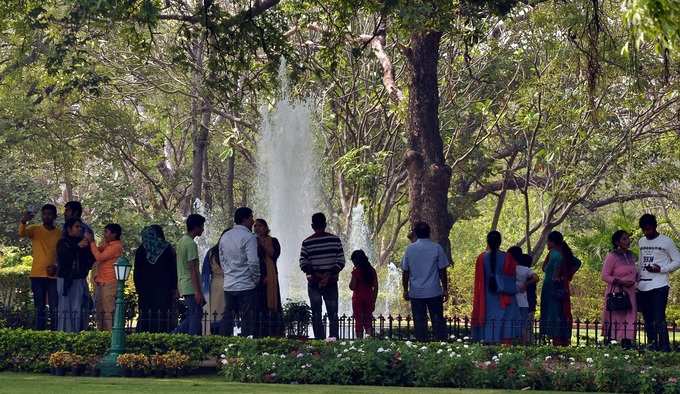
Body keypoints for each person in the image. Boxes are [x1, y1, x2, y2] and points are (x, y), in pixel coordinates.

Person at [637, 214, 680, 352]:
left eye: (649, 229)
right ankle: (652, 347)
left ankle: (665, 348)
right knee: (648, 319)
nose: (646, 232)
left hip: (659, 285)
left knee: (659, 318)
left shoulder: (666, 241)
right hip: (643, 285)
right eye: (644, 230)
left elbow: (677, 261)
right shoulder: (641, 241)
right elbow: (641, 261)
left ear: (655, 226)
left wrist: (662, 269)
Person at [300, 213, 346, 340]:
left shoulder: (307, 242)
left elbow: (303, 263)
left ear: (312, 226)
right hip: (330, 282)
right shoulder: (335, 240)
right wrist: (328, 275)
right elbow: (341, 261)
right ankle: (333, 340)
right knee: (333, 314)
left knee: (316, 313)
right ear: (325, 224)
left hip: (314, 283)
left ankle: (319, 340)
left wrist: (317, 275)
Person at [401, 221, 449, 342]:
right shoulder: (436, 248)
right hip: (434, 291)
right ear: (429, 232)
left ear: (416, 233)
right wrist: (445, 289)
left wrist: (405, 290)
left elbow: (405, 272)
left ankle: (421, 347)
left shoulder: (410, 250)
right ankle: (440, 345)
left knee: (419, 323)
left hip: (416, 293)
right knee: (437, 322)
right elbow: (442, 271)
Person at [471, 232, 522, 344]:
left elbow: (479, 282)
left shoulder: (481, 258)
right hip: (504, 300)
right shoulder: (508, 257)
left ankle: (488, 355)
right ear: (500, 242)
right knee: (505, 330)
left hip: (487, 300)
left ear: (487, 242)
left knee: (490, 327)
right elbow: (513, 279)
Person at [18, 204, 61, 330]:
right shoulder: (35, 229)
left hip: (53, 275)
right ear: (42, 215)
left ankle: (55, 332)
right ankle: (39, 333)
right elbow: (21, 233)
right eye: (44, 214)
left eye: (50, 214)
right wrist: (23, 221)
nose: (47, 216)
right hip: (37, 275)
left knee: (54, 307)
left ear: (54, 216)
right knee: (39, 306)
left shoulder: (59, 233)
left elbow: (61, 253)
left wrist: (56, 266)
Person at [219, 208, 259, 337]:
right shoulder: (249, 237)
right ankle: (246, 345)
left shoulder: (225, 236)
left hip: (229, 284)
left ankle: (224, 344)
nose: (253, 221)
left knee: (228, 316)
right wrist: (255, 279)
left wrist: (229, 274)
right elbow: (253, 262)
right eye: (251, 218)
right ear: (245, 219)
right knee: (247, 318)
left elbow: (222, 259)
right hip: (246, 284)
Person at [539, 231, 581, 346]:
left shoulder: (555, 254)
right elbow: (577, 263)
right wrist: (566, 276)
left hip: (552, 289)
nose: (547, 243)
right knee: (561, 313)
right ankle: (562, 342)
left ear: (552, 242)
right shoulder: (562, 253)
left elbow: (551, 271)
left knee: (554, 314)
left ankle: (557, 342)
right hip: (560, 288)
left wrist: (560, 276)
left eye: (548, 241)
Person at [134, 225, 177, 333]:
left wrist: (139, 289)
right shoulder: (167, 248)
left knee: (146, 316)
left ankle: (143, 338)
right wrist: (174, 288)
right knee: (162, 317)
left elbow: (137, 272)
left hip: (145, 291)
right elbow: (173, 271)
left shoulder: (141, 249)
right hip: (163, 290)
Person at [56, 218, 94, 332]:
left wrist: (88, 244)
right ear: (69, 229)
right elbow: (64, 258)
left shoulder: (84, 243)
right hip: (66, 279)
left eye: (81, 227)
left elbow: (90, 261)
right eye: (77, 227)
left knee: (80, 308)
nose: (80, 229)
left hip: (80, 279)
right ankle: (66, 334)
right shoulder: (63, 242)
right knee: (66, 309)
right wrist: (77, 247)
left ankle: (79, 332)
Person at [601, 230, 638, 348]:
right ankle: (611, 341)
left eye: (628, 238)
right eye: (624, 239)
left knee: (630, 316)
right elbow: (604, 276)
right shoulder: (612, 256)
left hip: (631, 292)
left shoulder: (631, 255)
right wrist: (620, 281)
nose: (628, 241)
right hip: (617, 291)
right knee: (617, 316)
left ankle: (627, 342)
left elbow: (635, 272)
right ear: (617, 242)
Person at [85, 224, 123, 331]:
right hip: (101, 282)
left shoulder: (116, 246)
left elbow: (99, 257)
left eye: (106, 232)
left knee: (108, 311)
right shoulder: (107, 245)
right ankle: (101, 334)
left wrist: (92, 241)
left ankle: (110, 335)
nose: (104, 234)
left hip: (110, 282)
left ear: (114, 234)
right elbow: (97, 250)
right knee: (99, 311)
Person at [174, 214, 206, 336]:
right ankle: (192, 341)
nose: (203, 230)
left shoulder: (182, 241)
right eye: (202, 226)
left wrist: (178, 286)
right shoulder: (191, 244)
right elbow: (192, 268)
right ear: (196, 227)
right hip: (191, 286)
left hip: (184, 284)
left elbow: (179, 266)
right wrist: (198, 291)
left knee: (194, 314)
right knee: (195, 316)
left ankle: (175, 335)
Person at [254, 219, 283, 337]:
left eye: (260, 226)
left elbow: (274, 255)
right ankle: (259, 334)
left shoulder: (273, 241)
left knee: (272, 308)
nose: (257, 228)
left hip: (270, 278)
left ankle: (274, 333)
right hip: (256, 279)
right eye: (255, 226)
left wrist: (262, 243)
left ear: (266, 228)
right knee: (258, 307)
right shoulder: (251, 241)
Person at [507, 246, 538, 343]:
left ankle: (512, 345)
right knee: (523, 327)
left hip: (511, 302)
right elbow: (536, 278)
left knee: (510, 325)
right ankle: (523, 346)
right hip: (524, 303)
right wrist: (525, 284)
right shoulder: (525, 269)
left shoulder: (508, 268)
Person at [201, 229, 229, 335]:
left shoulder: (211, 252)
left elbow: (205, 273)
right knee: (225, 313)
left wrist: (205, 290)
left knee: (214, 312)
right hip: (228, 283)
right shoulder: (230, 251)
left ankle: (212, 334)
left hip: (215, 284)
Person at [349, 250, 378, 339]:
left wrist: (354, 273)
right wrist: (373, 301)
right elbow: (376, 287)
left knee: (359, 321)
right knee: (368, 321)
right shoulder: (372, 270)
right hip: (369, 298)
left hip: (357, 299)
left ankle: (359, 342)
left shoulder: (356, 271)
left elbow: (352, 286)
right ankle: (369, 342)